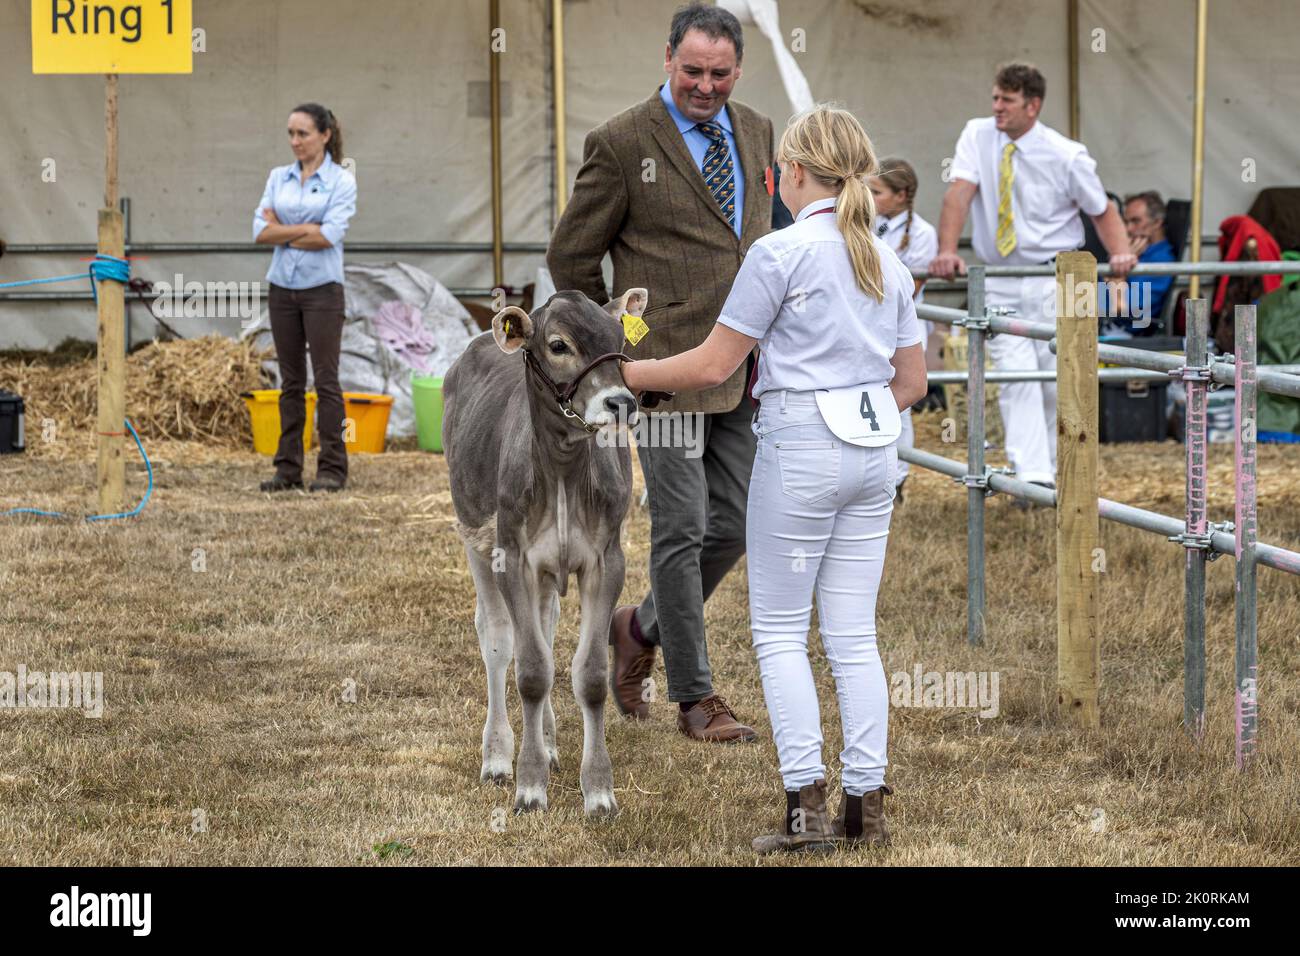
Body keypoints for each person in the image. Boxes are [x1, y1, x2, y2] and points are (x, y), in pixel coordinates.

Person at [621, 105, 927, 853]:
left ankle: (806, 808)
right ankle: (867, 804)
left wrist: (623, 372)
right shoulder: (888, 260)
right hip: (873, 450)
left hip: (799, 446)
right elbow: (911, 381)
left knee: (782, 633)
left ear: (793, 171)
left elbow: (713, 365)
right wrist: (856, 415)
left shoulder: (778, 252)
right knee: (854, 635)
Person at [547, 3, 775, 744]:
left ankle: (636, 627)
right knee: (681, 527)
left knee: (735, 524)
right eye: (691, 72)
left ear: (737, 69)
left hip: (743, 362)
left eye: (719, 74)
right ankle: (696, 697)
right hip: (664, 371)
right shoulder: (619, 142)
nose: (705, 86)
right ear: (667, 57)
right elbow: (571, 258)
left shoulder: (759, 130)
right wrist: (619, 346)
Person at [929, 63, 1134, 488]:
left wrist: (1120, 257)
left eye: (1006, 100)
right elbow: (958, 195)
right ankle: (1033, 477)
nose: (997, 108)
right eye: (995, 98)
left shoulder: (1066, 153)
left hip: (1057, 275)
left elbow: (1102, 209)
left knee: (1057, 374)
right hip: (1001, 275)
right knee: (1015, 373)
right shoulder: (977, 134)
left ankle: (1065, 470)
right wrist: (947, 250)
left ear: (1033, 105)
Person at [253, 103, 357, 493]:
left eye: (303, 134)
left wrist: (282, 228)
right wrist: (304, 228)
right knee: (290, 380)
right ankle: (288, 468)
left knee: (326, 379)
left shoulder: (341, 181)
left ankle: (332, 468)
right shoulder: (278, 177)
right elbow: (259, 232)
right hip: (282, 288)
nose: (295, 141)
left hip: (322, 291)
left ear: (325, 135)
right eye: (291, 134)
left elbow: (328, 236)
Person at [869, 158, 938, 502]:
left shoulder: (924, 233)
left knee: (901, 401)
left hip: (902, 331)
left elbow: (908, 288)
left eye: (877, 192)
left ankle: (898, 477)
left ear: (902, 195)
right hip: (869, 327)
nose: (871, 198)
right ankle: (875, 470)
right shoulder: (867, 225)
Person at [1098, 191, 1175, 335]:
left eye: (1136, 221)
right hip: (1107, 325)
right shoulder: (1136, 252)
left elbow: (1119, 306)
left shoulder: (1161, 261)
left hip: (1126, 335)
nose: (1128, 229)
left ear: (1157, 222)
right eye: (1126, 222)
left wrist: (1117, 276)